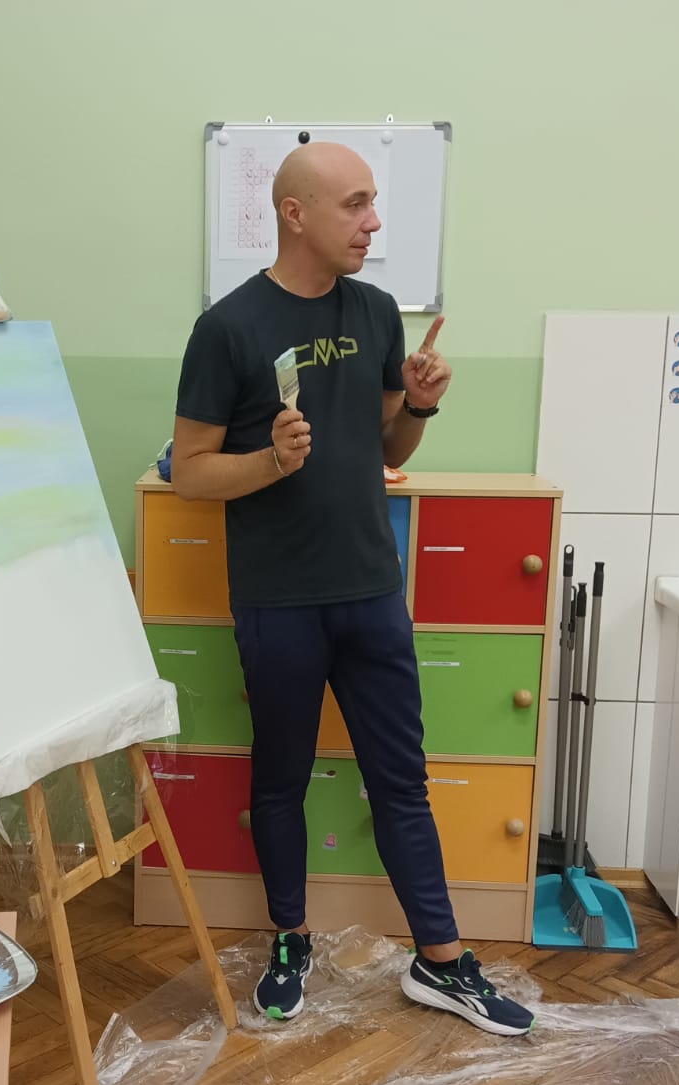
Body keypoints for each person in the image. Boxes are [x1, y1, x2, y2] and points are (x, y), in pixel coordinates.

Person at [168, 142, 535, 1037]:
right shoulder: (228, 326)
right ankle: (290, 939)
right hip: (278, 597)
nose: (373, 223)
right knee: (281, 781)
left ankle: (440, 960)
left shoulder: (374, 312)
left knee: (401, 782)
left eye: (374, 204)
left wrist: (418, 403)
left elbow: (386, 448)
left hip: (371, 589)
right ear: (295, 214)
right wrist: (269, 461)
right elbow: (191, 471)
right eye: (356, 204)